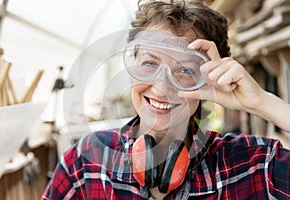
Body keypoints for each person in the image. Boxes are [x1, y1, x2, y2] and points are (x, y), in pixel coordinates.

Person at [42, 0, 290, 199]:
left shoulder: (251, 164)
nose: (162, 88)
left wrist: (261, 101)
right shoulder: (85, 161)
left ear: (209, 79)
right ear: (131, 66)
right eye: (150, 63)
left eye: (185, 70)